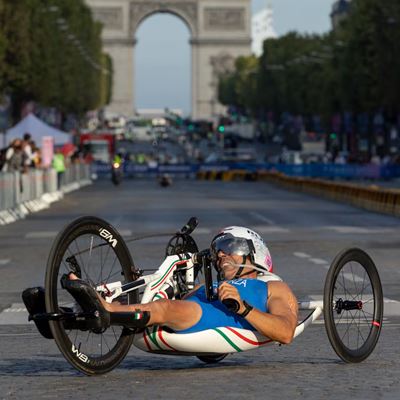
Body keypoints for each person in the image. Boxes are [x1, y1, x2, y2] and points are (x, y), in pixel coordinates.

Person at [65, 226, 299, 344]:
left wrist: (242, 307)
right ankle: (66, 316)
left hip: (211, 318)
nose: (220, 254)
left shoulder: (273, 287)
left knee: (165, 308)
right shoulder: (212, 284)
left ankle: (103, 309)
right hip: (190, 311)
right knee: (149, 300)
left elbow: (286, 332)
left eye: (231, 247)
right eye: (218, 251)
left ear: (254, 252)